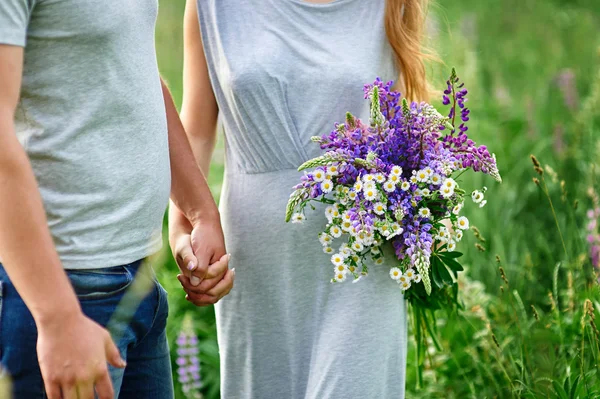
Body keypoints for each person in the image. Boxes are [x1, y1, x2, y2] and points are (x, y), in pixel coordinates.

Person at [171, 0, 432, 397]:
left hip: (360, 260)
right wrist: (181, 234)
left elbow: (406, 132)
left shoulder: (390, 5)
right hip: (257, 267)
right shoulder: (212, 7)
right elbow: (197, 135)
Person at [0, 1, 234, 398]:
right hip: (61, 289)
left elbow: (132, 73)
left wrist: (201, 211)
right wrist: (57, 318)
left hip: (139, 281)